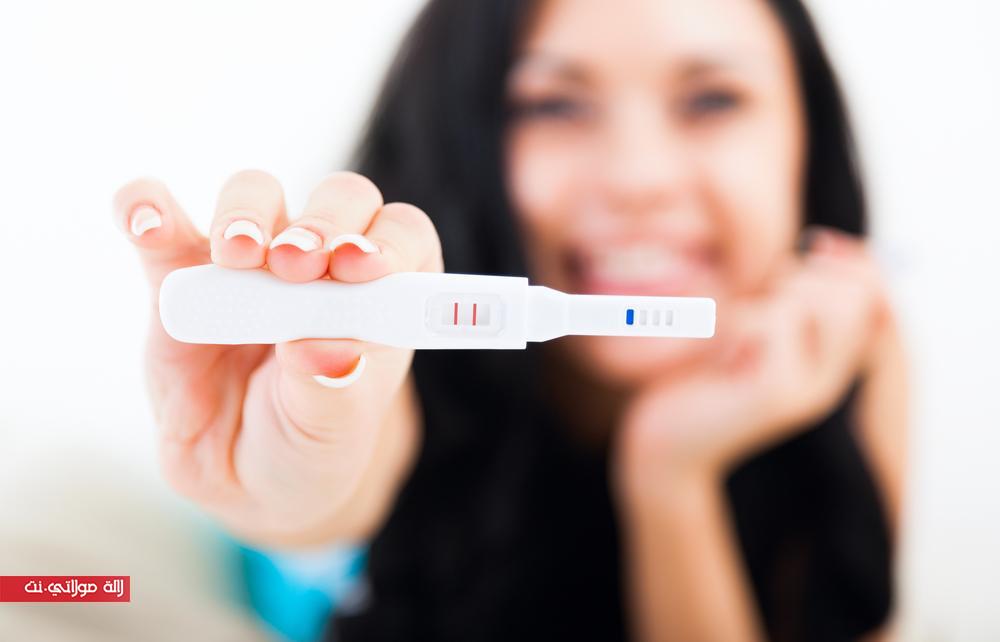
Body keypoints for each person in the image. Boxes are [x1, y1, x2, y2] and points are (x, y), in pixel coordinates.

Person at [112, 0, 907, 639]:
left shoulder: (841, 344)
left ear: (807, 135)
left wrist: (671, 478)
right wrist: (298, 475)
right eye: (552, 104)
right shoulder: (386, 360)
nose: (638, 178)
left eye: (712, 100)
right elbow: (327, 490)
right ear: (461, 139)